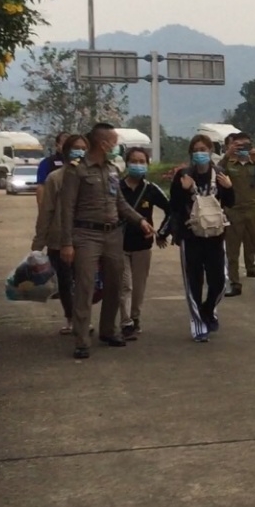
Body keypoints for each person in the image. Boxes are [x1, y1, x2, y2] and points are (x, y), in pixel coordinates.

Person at [59, 124, 155, 359]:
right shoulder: (76, 170)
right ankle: (82, 339)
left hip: (113, 235)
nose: (116, 146)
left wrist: (140, 220)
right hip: (86, 235)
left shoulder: (112, 170)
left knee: (115, 284)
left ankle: (108, 330)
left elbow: (120, 203)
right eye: (113, 142)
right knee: (85, 286)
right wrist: (67, 243)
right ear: (103, 144)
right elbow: (67, 208)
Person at [170, 134, 235, 342]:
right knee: (194, 282)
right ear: (191, 153)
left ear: (210, 151)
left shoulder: (220, 174)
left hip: (215, 236)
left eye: (203, 149)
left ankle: (207, 309)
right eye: (196, 150)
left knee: (220, 281)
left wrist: (229, 188)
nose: (200, 153)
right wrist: (183, 190)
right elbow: (174, 206)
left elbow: (230, 203)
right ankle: (198, 325)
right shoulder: (183, 175)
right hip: (191, 237)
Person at [32, 134, 87, 335]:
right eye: (76, 148)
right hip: (58, 239)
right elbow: (46, 211)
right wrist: (39, 242)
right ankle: (71, 318)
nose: (80, 152)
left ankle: (83, 318)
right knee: (64, 281)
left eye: (84, 148)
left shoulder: (92, 177)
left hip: (85, 238)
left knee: (84, 281)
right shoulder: (54, 178)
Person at [119, 147, 171, 340]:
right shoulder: (116, 188)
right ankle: (126, 323)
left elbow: (171, 210)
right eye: (134, 161)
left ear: (147, 164)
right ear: (127, 163)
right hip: (119, 245)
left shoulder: (151, 189)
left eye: (142, 162)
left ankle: (135, 317)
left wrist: (162, 233)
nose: (138, 165)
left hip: (142, 245)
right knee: (125, 286)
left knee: (138, 286)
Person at [223, 132, 255, 297]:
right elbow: (216, 172)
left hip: (254, 209)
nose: (243, 148)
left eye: (246, 145)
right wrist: (228, 154)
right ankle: (234, 283)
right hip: (234, 210)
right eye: (239, 145)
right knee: (232, 250)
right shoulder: (229, 163)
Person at [35, 131, 70, 208]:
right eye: (64, 143)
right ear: (57, 145)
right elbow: (41, 187)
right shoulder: (47, 163)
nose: (67, 147)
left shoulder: (79, 162)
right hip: (55, 204)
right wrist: (42, 208)